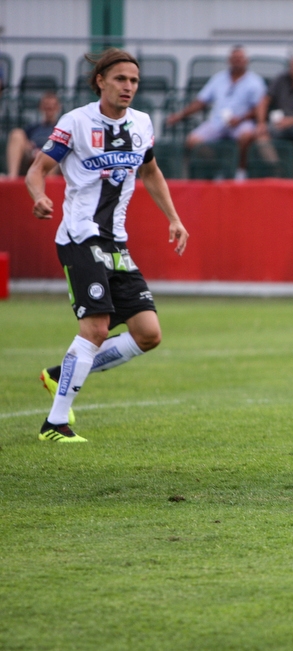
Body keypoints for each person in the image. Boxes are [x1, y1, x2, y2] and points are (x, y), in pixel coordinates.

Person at [26, 48, 189, 443]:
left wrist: (174, 217)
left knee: (148, 333)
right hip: (80, 237)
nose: (128, 87)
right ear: (101, 80)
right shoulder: (77, 122)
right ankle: (55, 423)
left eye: (133, 80)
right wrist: (38, 196)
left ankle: (57, 374)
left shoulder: (142, 124)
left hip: (117, 242)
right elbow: (38, 169)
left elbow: (150, 171)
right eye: (120, 79)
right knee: (96, 328)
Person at [165, 46, 266, 180]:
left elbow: (258, 107)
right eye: (235, 59)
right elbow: (201, 101)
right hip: (218, 122)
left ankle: (240, 172)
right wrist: (180, 115)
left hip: (242, 122)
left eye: (240, 59)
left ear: (246, 61)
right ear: (229, 61)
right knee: (193, 141)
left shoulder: (255, 81)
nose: (237, 61)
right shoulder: (218, 78)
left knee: (246, 135)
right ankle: (217, 168)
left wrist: (242, 119)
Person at [6, 92, 62, 178]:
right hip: (32, 155)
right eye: (46, 105)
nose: (49, 108)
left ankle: (50, 185)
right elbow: (23, 141)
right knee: (16, 134)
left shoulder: (62, 127)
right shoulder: (33, 128)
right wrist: (30, 147)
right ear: (41, 107)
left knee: (52, 152)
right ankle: (12, 178)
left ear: (58, 108)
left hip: (52, 159)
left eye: (52, 106)